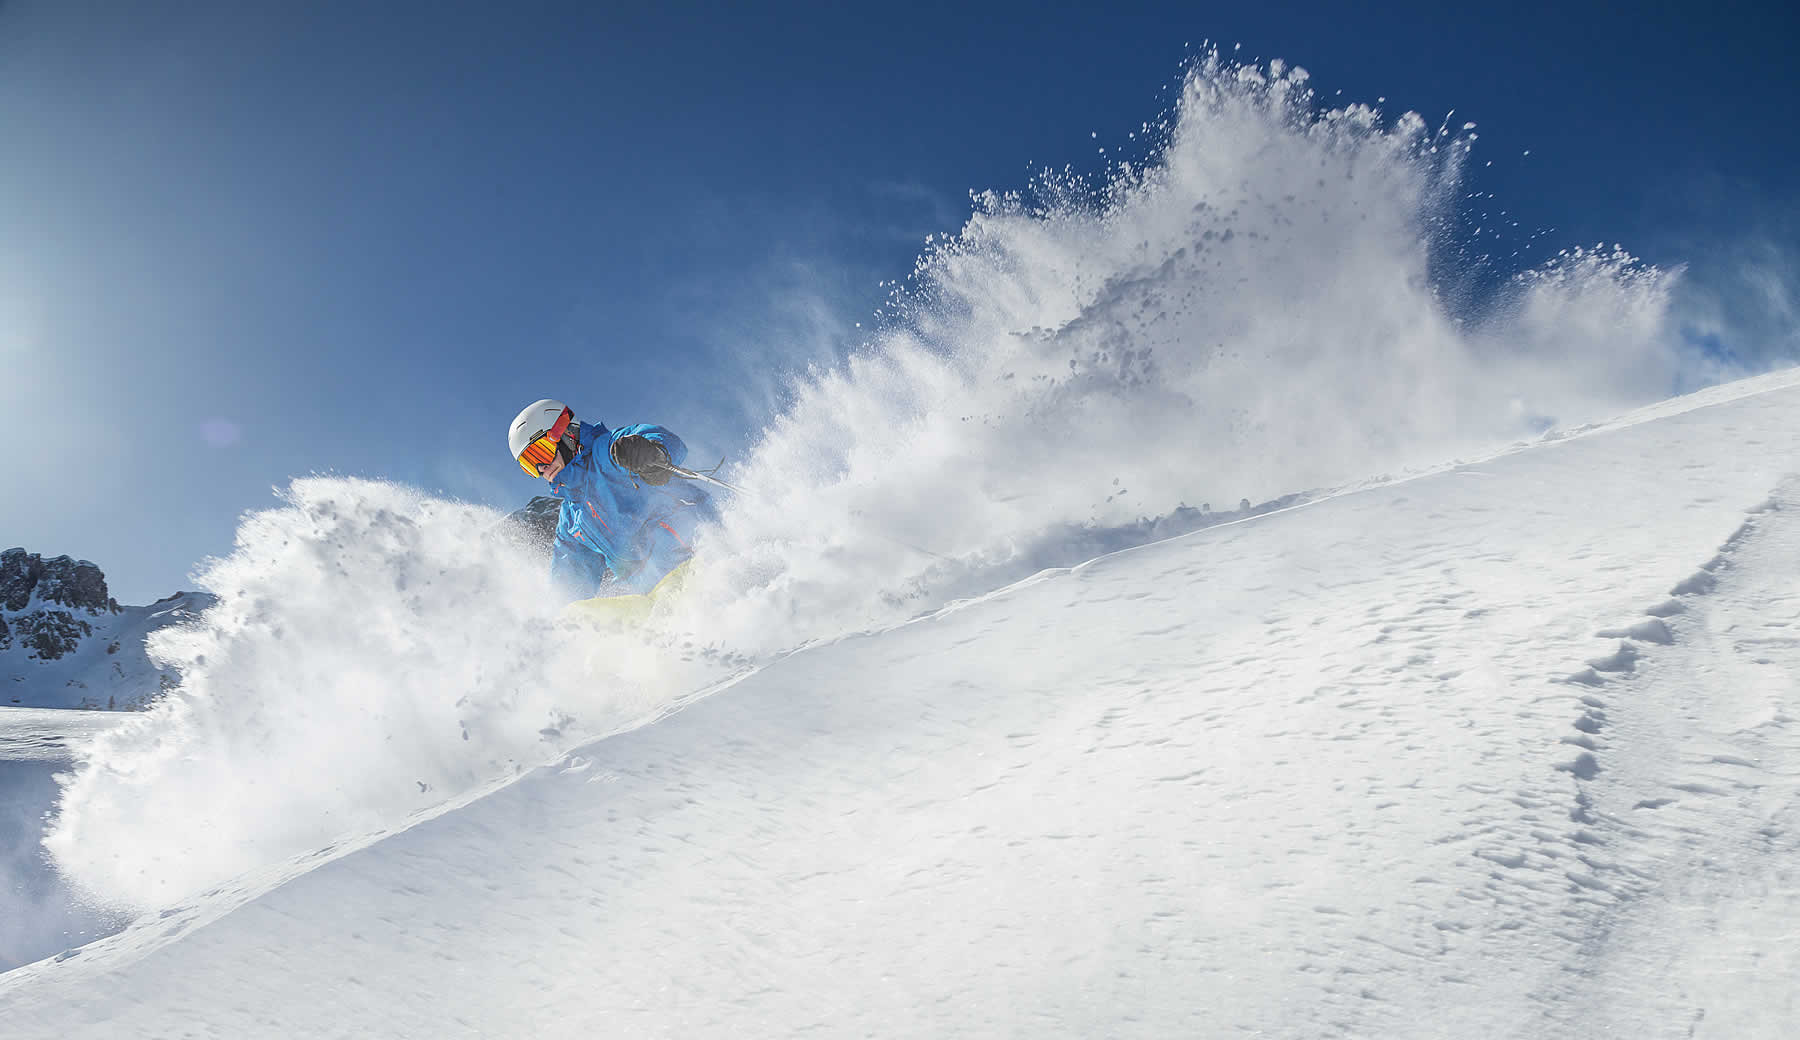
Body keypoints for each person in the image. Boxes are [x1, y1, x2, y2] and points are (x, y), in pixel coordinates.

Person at [507, 398, 719, 603]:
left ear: (566, 433)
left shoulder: (609, 452)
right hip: (658, 590)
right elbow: (570, 578)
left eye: (540, 452)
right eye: (529, 464)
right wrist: (560, 617)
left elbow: (661, 437)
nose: (541, 468)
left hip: (701, 548)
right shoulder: (571, 521)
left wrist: (651, 451)